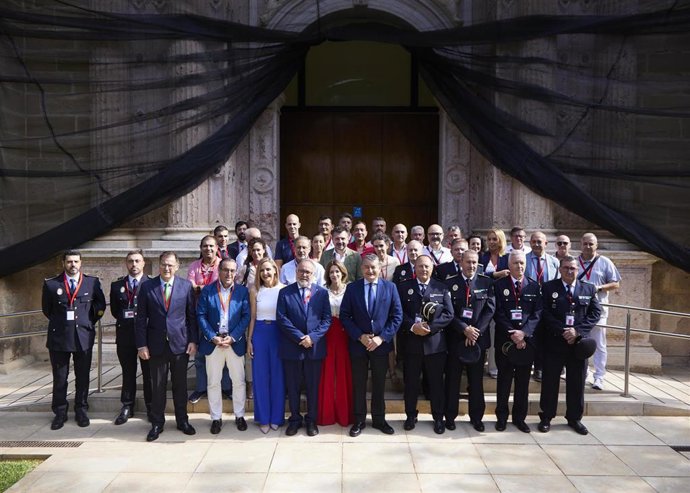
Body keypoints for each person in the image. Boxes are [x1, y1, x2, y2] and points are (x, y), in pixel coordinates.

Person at [136, 252, 198, 442]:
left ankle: (182, 421)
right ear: (159, 265)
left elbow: (191, 317)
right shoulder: (147, 287)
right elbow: (140, 319)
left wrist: (193, 341)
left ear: (177, 266)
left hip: (180, 344)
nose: (167, 268)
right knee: (158, 386)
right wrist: (141, 345)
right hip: (155, 346)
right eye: (163, 264)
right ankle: (157, 423)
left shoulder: (186, 286)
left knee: (180, 385)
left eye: (170, 265)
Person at [538, 256, 602, 435]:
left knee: (577, 383)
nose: (569, 271)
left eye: (572, 268)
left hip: (578, 345)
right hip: (555, 343)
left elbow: (595, 312)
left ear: (577, 270)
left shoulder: (588, 288)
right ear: (560, 269)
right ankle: (546, 417)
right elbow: (545, 313)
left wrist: (577, 331)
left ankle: (574, 418)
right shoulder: (549, 287)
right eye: (565, 268)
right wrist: (563, 331)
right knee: (550, 382)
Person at [42, 250, 106, 430]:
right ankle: (60, 412)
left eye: (76, 261)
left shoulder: (91, 283)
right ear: (63, 263)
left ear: (81, 263)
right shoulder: (51, 284)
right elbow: (47, 310)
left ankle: (81, 410)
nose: (73, 265)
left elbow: (100, 305)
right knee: (60, 377)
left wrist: (88, 321)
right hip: (59, 338)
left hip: (83, 337)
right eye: (69, 262)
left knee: (83, 376)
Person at [340, 254, 402, 437]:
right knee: (359, 384)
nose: (370, 270)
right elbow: (345, 315)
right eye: (366, 267)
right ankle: (359, 420)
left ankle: (379, 419)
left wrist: (381, 338)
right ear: (362, 269)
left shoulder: (390, 288)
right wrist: (360, 336)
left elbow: (396, 317)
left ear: (380, 268)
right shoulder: (352, 288)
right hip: (359, 345)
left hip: (380, 346)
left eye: (373, 267)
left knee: (379, 384)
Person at [397, 255, 454, 434]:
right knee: (411, 383)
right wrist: (413, 327)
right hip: (411, 344)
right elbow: (398, 313)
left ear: (432, 268)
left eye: (427, 267)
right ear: (415, 268)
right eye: (420, 266)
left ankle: (438, 417)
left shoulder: (441, 287)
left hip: (435, 345)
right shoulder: (404, 287)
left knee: (436, 383)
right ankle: (410, 416)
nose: (423, 270)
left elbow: (448, 314)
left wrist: (430, 327)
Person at [276, 259, 332, 437]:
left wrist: (312, 338)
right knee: (292, 387)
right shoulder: (285, 292)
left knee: (312, 387)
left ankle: (311, 420)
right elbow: (282, 318)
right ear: (296, 272)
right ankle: (294, 419)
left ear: (314, 274)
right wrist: (300, 337)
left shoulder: (322, 293)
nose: (304, 274)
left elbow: (326, 319)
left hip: (314, 348)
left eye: (308, 272)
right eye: (301, 271)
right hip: (292, 347)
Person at [444, 249, 495, 432]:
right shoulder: (450, 283)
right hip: (456, 339)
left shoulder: (486, 282)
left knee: (476, 381)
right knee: (452, 380)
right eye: (468, 262)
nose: (471, 266)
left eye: (474, 262)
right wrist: (464, 329)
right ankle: (450, 416)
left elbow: (490, 310)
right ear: (461, 262)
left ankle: (477, 418)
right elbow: (447, 311)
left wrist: (475, 332)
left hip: (477, 341)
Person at [196, 258, 250, 434]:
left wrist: (233, 337)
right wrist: (212, 337)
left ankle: (239, 415)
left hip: (234, 343)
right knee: (213, 382)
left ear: (236, 273)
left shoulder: (242, 291)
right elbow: (201, 315)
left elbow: (246, 317)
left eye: (232, 271)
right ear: (219, 271)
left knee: (239, 381)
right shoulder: (208, 291)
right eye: (226, 270)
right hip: (214, 343)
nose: (229, 274)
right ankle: (216, 418)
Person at [493, 251, 542, 433]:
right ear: (509, 264)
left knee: (523, 382)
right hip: (505, 341)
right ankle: (502, 418)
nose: (519, 267)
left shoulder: (534, 286)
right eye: (515, 263)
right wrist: (513, 333)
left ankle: (519, 418)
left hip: (526, 342)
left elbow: (537, 313)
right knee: (504, 381)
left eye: (522, 263)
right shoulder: (499, 285)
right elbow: (497, 312)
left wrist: (524, 333)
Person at [110, 249, 152, 425]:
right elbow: (114, 310)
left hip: (147, 337)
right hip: (125, 336)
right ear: (126, 264)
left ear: (143, 263)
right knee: (128, 373)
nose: (134, 265)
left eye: (137, 261)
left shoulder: (151, 284)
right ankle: (127, 405)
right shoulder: (116, 286)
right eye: (130, 261)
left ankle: (151, 406)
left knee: (148, 373)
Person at [187, 236, 231, 404]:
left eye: (211, 246)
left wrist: (200, 287)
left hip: (221, 314)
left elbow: (220, 285)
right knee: (200, 355)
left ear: (217, 247)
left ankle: (226, 388)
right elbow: (191, 287)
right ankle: (200, 388)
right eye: (205, 246)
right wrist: (205, 287)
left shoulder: (223, 264)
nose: (208, 249)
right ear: (201, 247)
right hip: (200, 315)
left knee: (224, 353)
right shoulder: (194, 266)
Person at [578, 233, 621, 390]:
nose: (588, 247)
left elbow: (616, 283)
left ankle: (599, 377)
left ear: (596, 245)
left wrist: (599, 288)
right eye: (585, 244)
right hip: (579, 310)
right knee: (580, 342)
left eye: (591, 244)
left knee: (599, 344)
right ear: (580, 245)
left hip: (599, 310)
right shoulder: (574, 262)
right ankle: (583, 373)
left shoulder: (604, 262)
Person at [247, 258, 285, 433]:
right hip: (260, 333)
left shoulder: (283, 289)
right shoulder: (255, 290)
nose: (265, 273)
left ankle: (277, 417)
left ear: (275, 271)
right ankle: (263, 418)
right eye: (262, 270)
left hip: (279, 333)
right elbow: (253, 317)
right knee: (260, 377)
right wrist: (250, 340)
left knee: (278, 377)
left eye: (269, 270)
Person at [317, 260, 354, 427]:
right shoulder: (323, 292)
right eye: (331, 272)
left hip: (346, 334)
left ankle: (344, 414)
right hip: (328, 334)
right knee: (328, 373)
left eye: (337, 272)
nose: (334, 275)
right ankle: (327, 414)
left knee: (344, 373)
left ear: (343, 273)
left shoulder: (351, 289)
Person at [525, 231, 560, 383]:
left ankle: (540, 367)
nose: (537, 244)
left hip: (547, 303)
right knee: (532, 335)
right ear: (530, 243)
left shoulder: (554, 262)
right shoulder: (524, 260)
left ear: (546, 244)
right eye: (534, 241)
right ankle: (528, 365)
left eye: (540, 241)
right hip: (530, 303)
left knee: (546, 336)